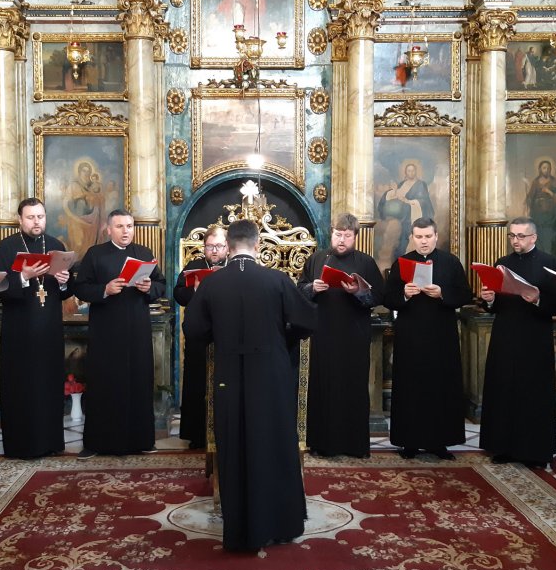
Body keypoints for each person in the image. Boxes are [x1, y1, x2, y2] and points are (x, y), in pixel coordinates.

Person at [183, 219, 317, 552]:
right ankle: (281, 525)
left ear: (228, 246)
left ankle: (241, 529)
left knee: (236, 445)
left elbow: (194, 330)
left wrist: (220, 335)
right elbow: (306, 321)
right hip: (271, 373)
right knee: (273, 443)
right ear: (258, 246)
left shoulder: (213, 284)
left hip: (229, 373)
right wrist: (281, 337)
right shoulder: (277, 279)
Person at [72, 209, 166, 457]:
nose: (126, 231)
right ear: (108, 229)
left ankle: (142, 440)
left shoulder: (143, 254)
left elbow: (161, 284)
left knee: (138, 382)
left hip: (137, 331)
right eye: (121, 226)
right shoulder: (95, 254)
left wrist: (149, 287)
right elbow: (80, 287)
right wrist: (105, 289)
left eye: (130, 226)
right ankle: (97, 443)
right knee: (105, 384)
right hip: (106, 333)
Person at [478, 217, 556, 467]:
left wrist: (538, 299)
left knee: (533, 393)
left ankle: (535, 452)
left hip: (534, 336)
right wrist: (488, 299)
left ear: (534, 237)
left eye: (520, 236)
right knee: (504, 389)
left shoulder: (550, 264)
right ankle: (502, 447)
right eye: (512, 236)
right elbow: (495, 306)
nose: (515, 241)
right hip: (505, 334)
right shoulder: (502, 264)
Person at [384, 217, 472, 460]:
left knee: (440, 388)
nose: (423, 241)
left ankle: (439, 442)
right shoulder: (401, 263)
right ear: (412, 237)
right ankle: (409, 441)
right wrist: (403, 293)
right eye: (419, 237)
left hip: (441, 336)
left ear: (436, 236)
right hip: (410, 336)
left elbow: (465, 294)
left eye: (428, 237)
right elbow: (387, 297)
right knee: (410, 388)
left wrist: (443, 293)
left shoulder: (451, 262)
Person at [0, 197, 72, 459]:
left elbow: (66, 291)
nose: (37, 222)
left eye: (41, 216)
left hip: (49, 331)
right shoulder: (6, 248)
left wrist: (62, 282)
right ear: (20, 219)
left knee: (48, 386)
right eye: (31, 217)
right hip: (19, 333)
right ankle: (22, 446)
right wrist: (23, 277)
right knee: (21, 388)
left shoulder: (56, 246)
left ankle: (50, 442)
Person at [297, 213, 383, 458]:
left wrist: (358, 292)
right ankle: (322, 444)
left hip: (353, 337)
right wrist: (312, 287)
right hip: (322, 336)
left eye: (347, 235)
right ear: (331, 233)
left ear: (355, 236)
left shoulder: (365, 263)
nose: (342, 239)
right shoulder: (316, 259)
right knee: (323, 388)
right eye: (338, 234)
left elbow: (378, 298)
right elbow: (299, 289)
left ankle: (354, 445)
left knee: (352, 389)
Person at [171, 225, 228, 450]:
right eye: (210, 246)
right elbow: (178, 294)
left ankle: (224, 431)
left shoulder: (233, 268)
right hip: (199, 335)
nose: (214, 251)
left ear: (228, 247)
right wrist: (195, 290)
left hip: (225, 334)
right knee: (197, 382)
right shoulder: (194, 267)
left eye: (219, 246)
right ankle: (196, 434)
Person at [378, 162, 435, 259]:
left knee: (408, 236)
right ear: (406, 172)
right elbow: (398, 195)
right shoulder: (402, 183)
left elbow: (424, 201)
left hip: (412, 215)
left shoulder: (420, 184)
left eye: (413, 170)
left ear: (415, 172)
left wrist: (408, 201)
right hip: (401, 215)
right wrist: (394, 193)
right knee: (399, 236)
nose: (411, 173)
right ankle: (399, 258)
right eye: (409, 171)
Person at [525, 159, 556, 255]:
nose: (546, 170)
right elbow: (530, 197)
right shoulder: (535, 182)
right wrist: (529, 200)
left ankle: (548, 258)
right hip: (537, 216)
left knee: (548, 238)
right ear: (540, 169)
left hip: (551, 216)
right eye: (544, 168)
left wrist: (550, 193)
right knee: (538, 238)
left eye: (548, 168)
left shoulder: (554, 182)